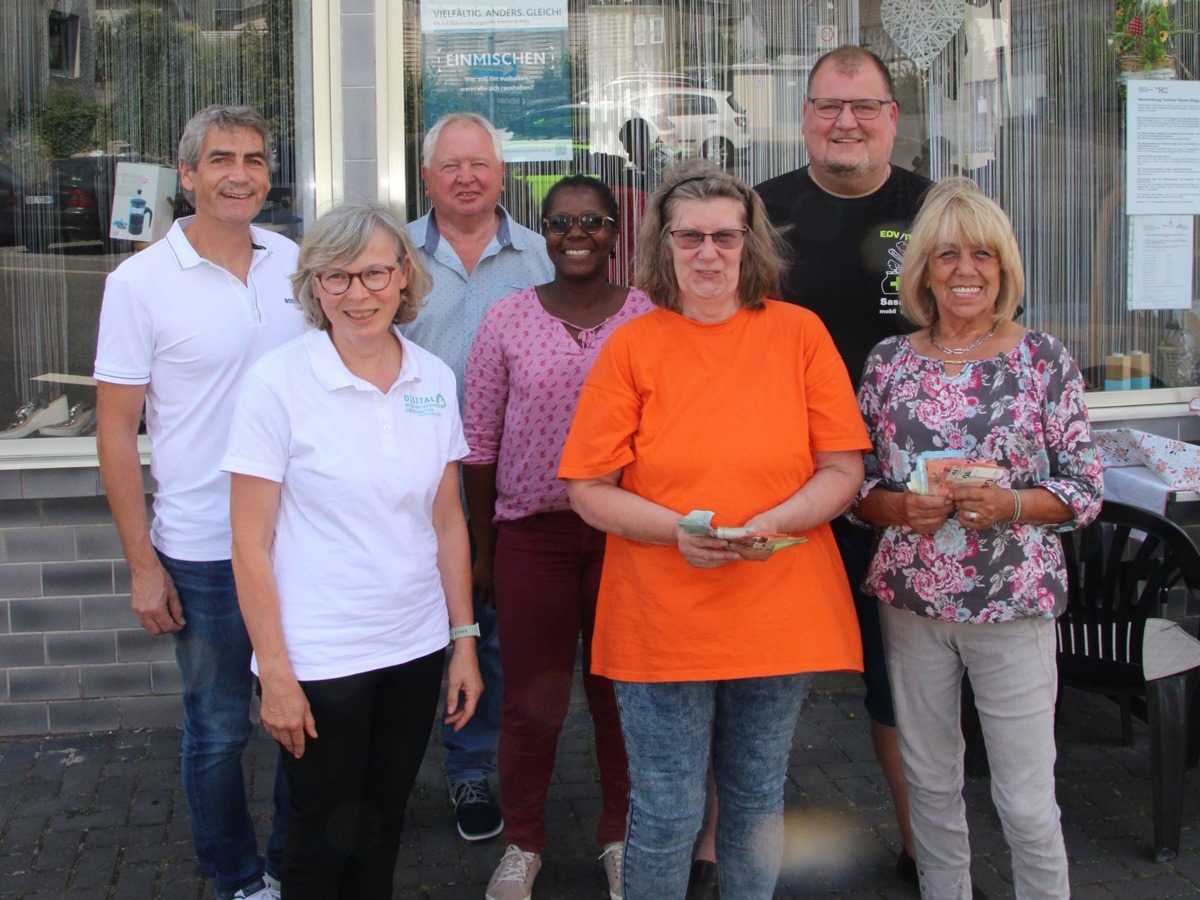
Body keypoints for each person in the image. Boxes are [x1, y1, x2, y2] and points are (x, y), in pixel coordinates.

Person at [558, 160, 871, 900]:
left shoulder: (799, 334)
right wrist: (678, 532)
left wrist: (773, 521)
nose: (707, 253)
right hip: (661, 612)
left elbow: (841, 470)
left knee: (758, 797)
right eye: (689, 236)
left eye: (724, 237)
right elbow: (587, 489)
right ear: (663, 246)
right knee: (666, 807)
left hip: (776, 602)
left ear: (750, 242)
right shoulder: (633, 346)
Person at [680, 44, 928, 894]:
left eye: (863, 107)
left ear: (893, 117)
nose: (845, 123)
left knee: (901, 683)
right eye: (827, 106)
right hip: (778, 490)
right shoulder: (761, 213)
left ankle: (920, 844)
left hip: (904, 496)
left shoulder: (934, 214)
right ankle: (718, 846)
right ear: (803, 117)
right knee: (739, 671)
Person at [223, 202, 483, 898]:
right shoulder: (276, 383)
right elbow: (249, 541)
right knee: (318, 834)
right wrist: (274, 672)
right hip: (320, 655)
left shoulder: (432, 378)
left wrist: (463, 641)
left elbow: (448, 521)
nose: (358, 294)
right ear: (313, 287)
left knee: (382, 823)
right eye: (336, 277)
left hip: (413, 645)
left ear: (405, 276)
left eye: (373, 272)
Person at [853, 177, 1103, 898]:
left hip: (1012, 605)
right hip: (912, 606)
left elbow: (1085, 489)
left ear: (1006, 268)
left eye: (984, 256)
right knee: (930, 785)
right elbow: (856, 488)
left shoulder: (1042, 361)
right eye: (949, 254)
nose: (967, 270)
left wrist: (1011, 505)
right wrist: (898, 510)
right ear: (924, 269)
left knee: (1025, 800)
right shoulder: (889, 363)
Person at [94, 105, 303, 900]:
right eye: (220, 159)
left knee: (301, 717)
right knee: (218, 730)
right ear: (187, 175)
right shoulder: (139, 284)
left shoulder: (294, 261)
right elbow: (116, 433)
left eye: (253, 158)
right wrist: (143, 566)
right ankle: (237, 877)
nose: (239, 174)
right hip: (205, 548)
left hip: (297, 543)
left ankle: (293, 861)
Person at [464, 176, 652, 900]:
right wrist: (484, 550)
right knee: (530, 703)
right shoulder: (508, 319)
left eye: (592, 221)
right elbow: (478, 444)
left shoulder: (648, 318)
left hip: (626, 540)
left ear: (615, 232)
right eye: (560, 222)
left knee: (620, 696)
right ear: (543, 232)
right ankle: (523, 843)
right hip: (532, 538)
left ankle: (619, 836)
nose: (576, 234)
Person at [404, 112, 554, 842]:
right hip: (404, 479)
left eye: (480, 164)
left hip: (501, 482)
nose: (466, 176)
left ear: (501, 173)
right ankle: (389, 768)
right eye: (450, 165)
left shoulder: (540, 258)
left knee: (487, 630)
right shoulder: (391, 254)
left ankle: (470, 771)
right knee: (402, 624)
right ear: (427, 175)